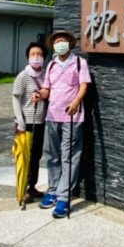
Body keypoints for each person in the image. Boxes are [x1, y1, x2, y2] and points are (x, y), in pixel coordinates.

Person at [34, 27, 91, 219]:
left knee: (69, 156)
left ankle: (63, 198)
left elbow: (84, 86)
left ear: (70, 43)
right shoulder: (51, 65)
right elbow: (46, 89)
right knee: (52, 155)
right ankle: (52, 189)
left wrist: (76, 102)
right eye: (57, 42)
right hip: (52, 115)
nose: (60, 44)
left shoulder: (79, 63)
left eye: (63, 41)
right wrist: (39, 95)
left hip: (72, 116)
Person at [12, 41, 48, 202]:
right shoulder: (23, 76)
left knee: (36, 156)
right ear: (27, 57)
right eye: (33, 54)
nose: (36, 57)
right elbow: (15, 98)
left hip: (41, 122)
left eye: (39, 54)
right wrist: (20, 120)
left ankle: (32, 186)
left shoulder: (46, 74)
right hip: (26, 122)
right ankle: (23, 188)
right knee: (24, 155)